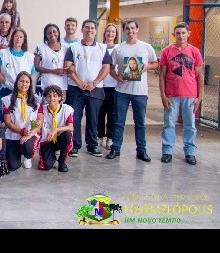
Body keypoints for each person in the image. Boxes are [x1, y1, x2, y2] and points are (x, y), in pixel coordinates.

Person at [107, 19, 159, 162]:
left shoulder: (146, 47)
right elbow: (111, 67)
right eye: (127, 29)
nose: (130, 31)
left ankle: (141, 151)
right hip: (122, 91)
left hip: (140, 92)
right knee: (119, 121)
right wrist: (117, 77)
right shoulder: (119, 48)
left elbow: (155, 64)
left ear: (137, 30)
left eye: (132, 28)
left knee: (140, 123)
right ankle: (115, 149)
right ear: (123, 31)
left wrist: (143, 67)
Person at [64, 19, 111, 158]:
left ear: (96, 31)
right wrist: (78, 82)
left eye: (92, 28)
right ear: (82, 30)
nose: (89, 30)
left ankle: (92, 145)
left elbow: (106, 67)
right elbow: (68, 66)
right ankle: (74, 146)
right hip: (75, 88)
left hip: (95, 89)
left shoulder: (102, 48)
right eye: (87, 28)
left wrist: (94, 82)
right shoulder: (73, 48)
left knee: (93, 118)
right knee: (75, 118)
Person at [159, 22, 204, 165]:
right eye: (178, 33)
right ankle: (167, 151)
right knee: (169, 124)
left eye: (183, 33)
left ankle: (190, 152)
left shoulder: (195, 52)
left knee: (190, 125)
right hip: (171, 95)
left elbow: (200, 76)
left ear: (188, 34)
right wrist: (163, 95)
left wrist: (200, 96)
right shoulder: (167, 52)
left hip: (190, 95)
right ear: (174, 35)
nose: (181, 36)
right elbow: (162, 75)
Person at [0, 27, 36, 119]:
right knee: (2, 116)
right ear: (12, 38)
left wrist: (23, 86)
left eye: (21, 37)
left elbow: (32, 75)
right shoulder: (3, 54)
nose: (18, 39)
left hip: (24, 92)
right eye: (16, 36)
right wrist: (8, 84)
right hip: (7, 90)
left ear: (24, 40)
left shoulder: (29, 57)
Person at [2, 71, 40, 171]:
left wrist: (29, 134)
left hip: (29, 134)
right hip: (13, 134)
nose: (24, 84)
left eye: (27, 82)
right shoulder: (7, 100)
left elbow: (39, 120)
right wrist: (22, 131)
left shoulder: (36, 100)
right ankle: (17, 152)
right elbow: (8, 122)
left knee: (27, 147)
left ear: (30, 84)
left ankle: (28, 156)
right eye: (21, 81)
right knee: (13, 166)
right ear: (17, 83)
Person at [37, 85, 74, 172]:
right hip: (47, 140)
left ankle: (62, 162)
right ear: (46, 98)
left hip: (60, 138)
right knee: (46, 166)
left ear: (60, 97)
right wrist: (36, 125)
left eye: (55, 96)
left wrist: (56, 129)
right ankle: (49, 156)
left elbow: (71, 127)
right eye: (49, 96)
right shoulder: (42, 109)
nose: (52, 98)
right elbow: (37, 125)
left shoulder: (67, 109)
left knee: (68, 134)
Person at [97, 23, 119, 149]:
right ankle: (99, 136)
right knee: (100, 113)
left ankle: (110, 138)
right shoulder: (99, 47)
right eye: (108, 31)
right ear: (104, 33)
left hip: (114, 87)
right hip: (101, 86)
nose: (110, 34)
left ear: (116, 35)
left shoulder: (119, 48)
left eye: (113, 32)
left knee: (112, 114)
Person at [34, 23, 68, 99]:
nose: (52, 34)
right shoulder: (40, 48)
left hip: (61, 85)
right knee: (46, 108)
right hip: (46, 85)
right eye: (49, 33)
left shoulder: (66, 47)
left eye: (54, 32)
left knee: (59, 109)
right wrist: (53, 71)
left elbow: (70, 64)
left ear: (58, 33)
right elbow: (36, 67)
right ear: (46, 35)